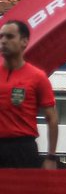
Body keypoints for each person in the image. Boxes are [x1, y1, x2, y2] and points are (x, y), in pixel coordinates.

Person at [0, 19, 57, 169]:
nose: (4, 41)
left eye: (10, 37)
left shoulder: (37, 77)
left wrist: (51, 156)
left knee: (22, 192)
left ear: (24, 41)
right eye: (1, 37)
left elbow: (52, 118)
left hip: (22, 149)